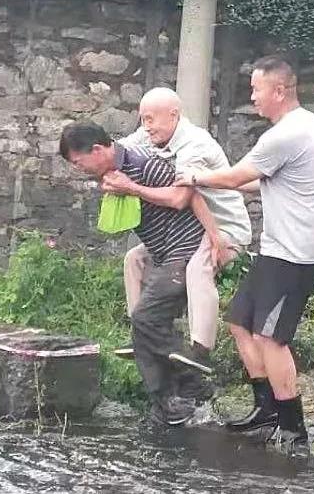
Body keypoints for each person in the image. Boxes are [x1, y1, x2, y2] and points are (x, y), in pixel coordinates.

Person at [175, 55, 314, 458]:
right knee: (241, 322)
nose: (252, 97)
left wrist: (193, 177)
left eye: (256, 89)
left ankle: (294, 429)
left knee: (270, 337)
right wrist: (210, 184)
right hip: (278, 250)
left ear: (279, 91)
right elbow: (252, 182)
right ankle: (266, 411)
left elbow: (235, 176)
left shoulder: (288, 134)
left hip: (297, 256)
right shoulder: (301, 126)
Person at [59, 121, 205, 426]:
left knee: (144, 318)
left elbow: (185, 196)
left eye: (78, 162)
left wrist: (131, 188)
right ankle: (170, 403)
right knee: (145, 324)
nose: (78, 169)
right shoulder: (114, 171)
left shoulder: (143, 164)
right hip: (161, 253)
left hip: (186, 248)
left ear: (97, 150)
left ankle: (190, 384)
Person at [107, 88, 252, 379]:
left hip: (224, 227)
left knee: (199, 267)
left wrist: (130, 187)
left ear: (174, 115)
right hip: (190, 230)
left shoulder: (195, 143)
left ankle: (201, 350)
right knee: (134, 259)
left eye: (151, 119)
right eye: (143, 119)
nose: (146, 126)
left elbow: (180, 198)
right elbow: (118, 150)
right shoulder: (149, 134)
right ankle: (140, 334)